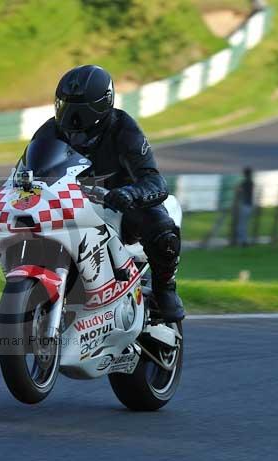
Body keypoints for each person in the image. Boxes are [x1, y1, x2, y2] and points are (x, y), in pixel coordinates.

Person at [31, 64, 184, 321]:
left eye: (81, 110)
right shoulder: (50, 130)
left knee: (160, 225)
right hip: (70, 206)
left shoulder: (124, 129)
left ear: (104, 104)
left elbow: (155, 182)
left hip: (118, 209)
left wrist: (130, 194)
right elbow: (29, 170)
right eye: (67, 106)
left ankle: (164, 289)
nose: (73, 118)